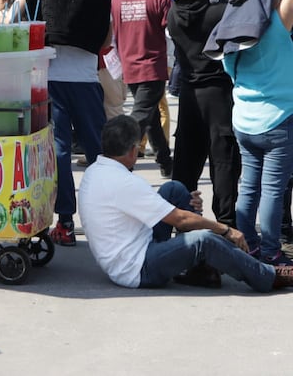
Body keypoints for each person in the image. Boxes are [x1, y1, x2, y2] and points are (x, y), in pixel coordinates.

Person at [78, 115, 293, 292]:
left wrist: (190, 213)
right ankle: (267, 276)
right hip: (136, 269)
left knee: (174, 190)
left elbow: (174, 214)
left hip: (130, 248)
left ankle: (200, 270)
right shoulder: (124, 182)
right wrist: (226, 230)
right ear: (133, 150)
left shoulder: (96, 170)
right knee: (204, 239)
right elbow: (179, 219)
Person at [18, 0, 112, 246]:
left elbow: (14, 23)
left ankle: (66, 223)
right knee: (100, 152)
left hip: (49, 78)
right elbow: (108, 39)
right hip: (86, 79)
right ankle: (108, 217)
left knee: (58, 151)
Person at [217, 0, 293, 265]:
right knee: (273, 190)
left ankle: (247, 244)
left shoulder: (234, 29)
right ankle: (272, 251)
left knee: (248, 187)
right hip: (278, 120)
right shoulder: (278, 26)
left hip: (244, 120)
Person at [166, 0, 240, 229]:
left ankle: (183, 222)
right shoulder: (222, 9)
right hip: (219, 92)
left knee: (186, 160)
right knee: (223, 160)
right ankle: (226, 222)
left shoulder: (174, 12)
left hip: (189, 91)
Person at [111, 0, 174, 177]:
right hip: (152, 65)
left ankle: (166, 161)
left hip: (129, 65)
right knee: (140, 116)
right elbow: (172, 32)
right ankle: (114, 159)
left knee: (151, 117)